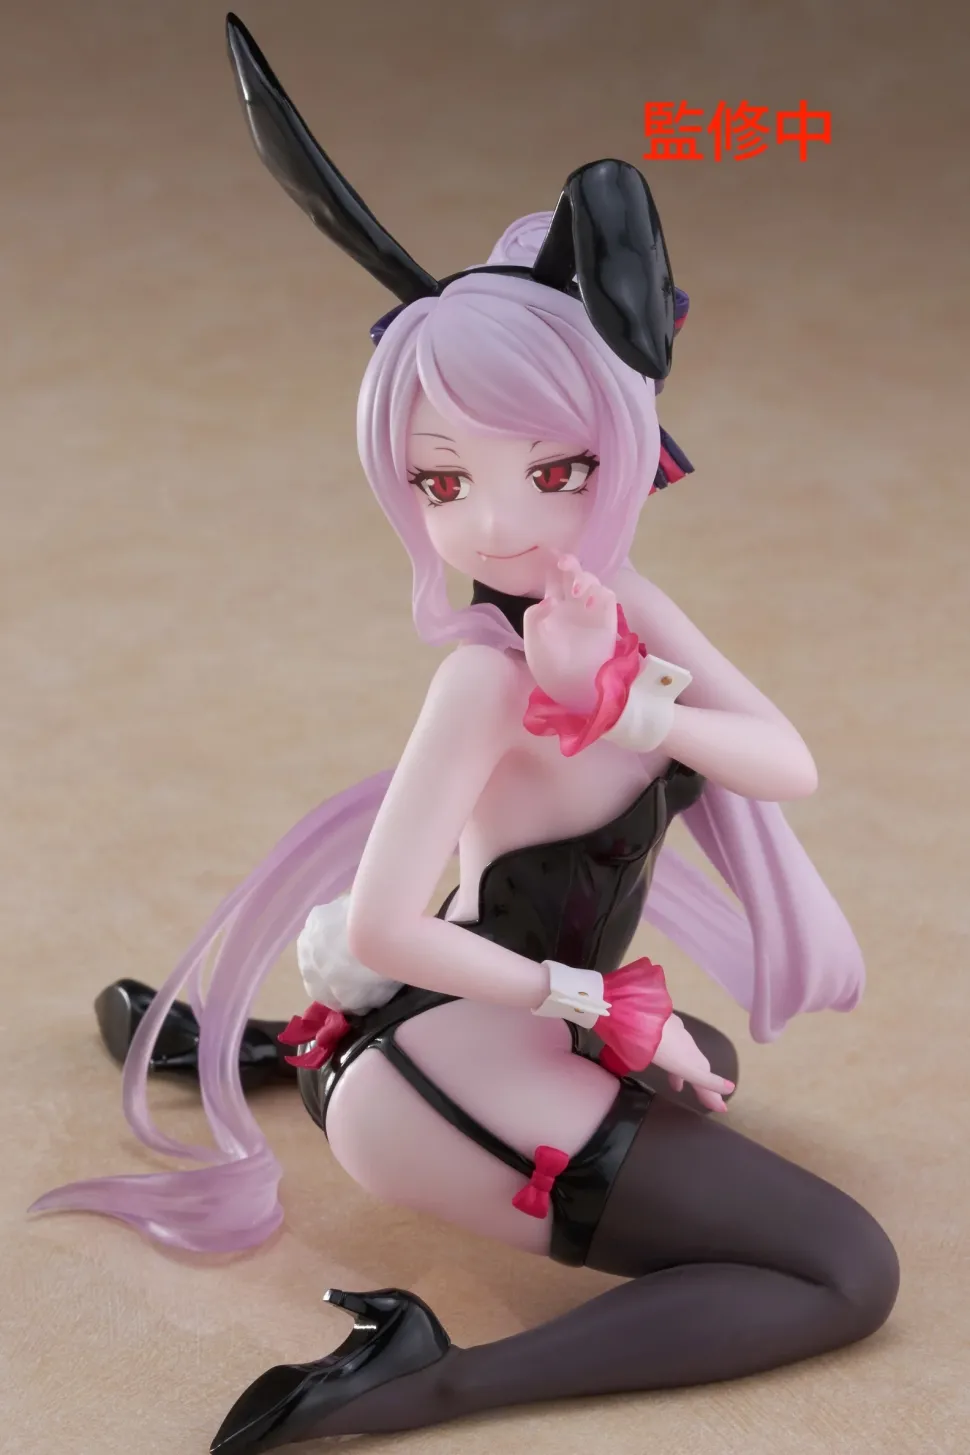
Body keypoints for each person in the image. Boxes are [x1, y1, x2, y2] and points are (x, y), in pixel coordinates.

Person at [31, 17, 899, 1452]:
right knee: (847, 1271)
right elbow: (386, 917)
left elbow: (785, 763)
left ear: (623, 449)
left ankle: (273, 1045)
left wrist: (624, 700)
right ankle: (417, 1372)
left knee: (708, 1061)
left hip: (474, 1010)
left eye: (552, 471)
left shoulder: (629, 608)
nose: (496, 524)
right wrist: (586, 1007)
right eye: (443, 484)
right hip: (439, 1072)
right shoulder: (482, 682)